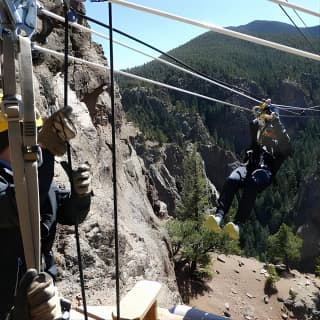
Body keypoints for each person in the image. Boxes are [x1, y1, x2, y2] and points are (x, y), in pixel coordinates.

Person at [0, 99, 92, 320]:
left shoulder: (36, 180)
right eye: (28, 136)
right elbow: (19, 208)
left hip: (41, 297)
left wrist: (80, 197)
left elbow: (68, 215)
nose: (33, 145)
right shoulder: (18, 181)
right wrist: (47, 153)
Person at [206, 99, 291, 240]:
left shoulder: (281, 145)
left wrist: (275, 120)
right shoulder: (259, 137)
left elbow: (286, 144)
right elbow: (253, 125)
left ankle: (238, 224)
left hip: (265, 172)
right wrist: (263, 113)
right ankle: (219, 216)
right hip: (248, 166)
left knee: (252, 183)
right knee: (232, 179)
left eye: (271, 129)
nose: (268, 131)